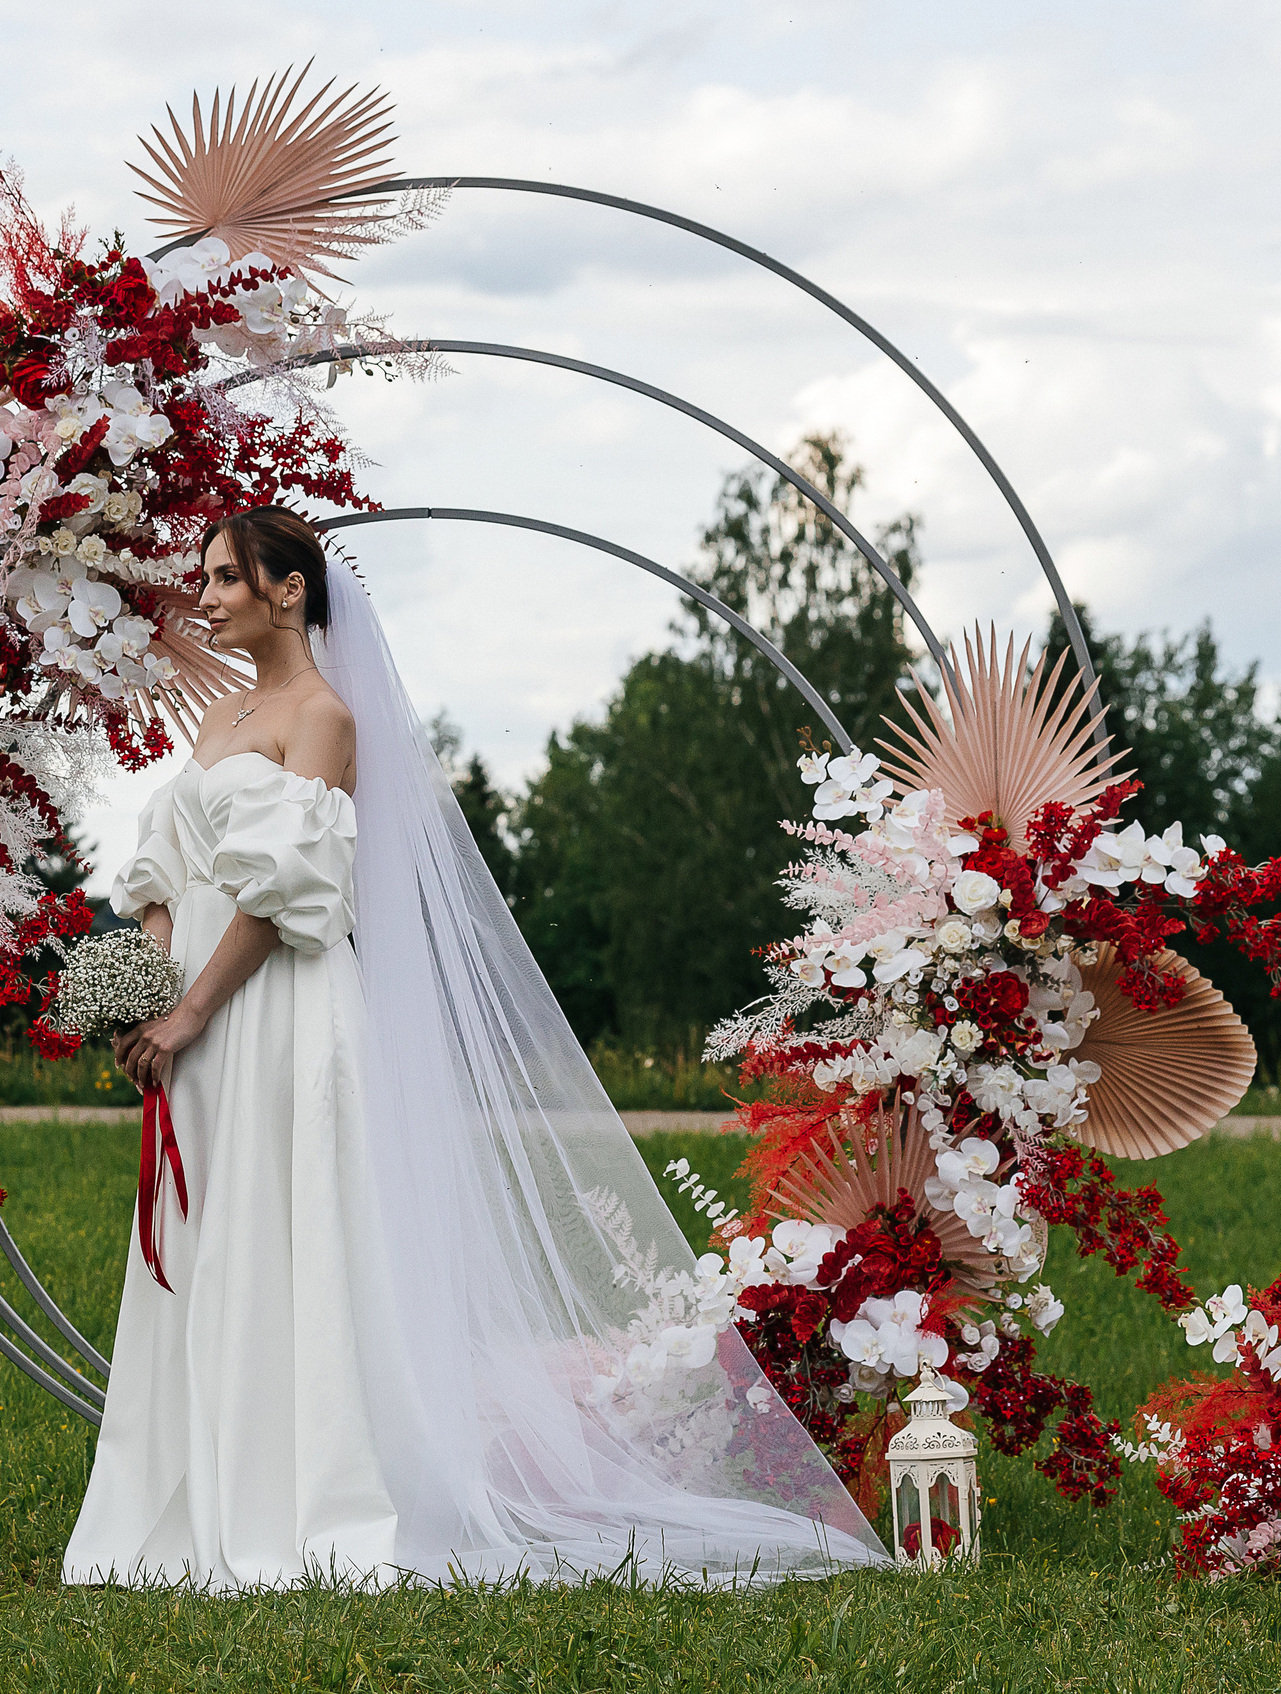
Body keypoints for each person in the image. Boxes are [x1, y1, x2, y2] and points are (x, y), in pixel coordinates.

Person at [64, 506, 889, 1590]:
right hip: (199, 1017)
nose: (206, 596)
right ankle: (188, 1495)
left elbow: (289, 892)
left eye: (226, 578)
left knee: (290, 1233)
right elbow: (168, 873)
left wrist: (194, 1011)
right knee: (204, 1229)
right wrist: (143, 994)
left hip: (278, 1008)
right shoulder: (220, 715)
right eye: (207, 577)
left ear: (288, 592)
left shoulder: (323, 718)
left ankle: (298, 1502)